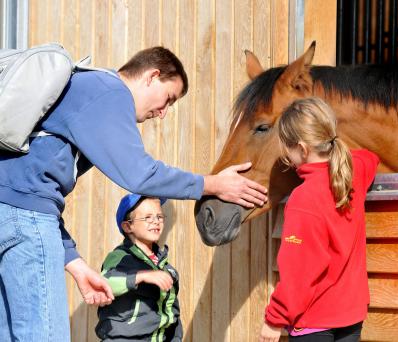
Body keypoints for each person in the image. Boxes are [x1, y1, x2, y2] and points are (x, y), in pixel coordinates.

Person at [0, 46, 267, 341]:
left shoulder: (82, 90)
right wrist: (213, 184)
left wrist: (74, 263)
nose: (163, 113)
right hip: (26, 224)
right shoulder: (110, 92)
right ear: (152, 76)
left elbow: (29, 189)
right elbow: (139, 174)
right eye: (169, 99)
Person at [259, 97, 379, 342]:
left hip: (314, 322)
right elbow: (370, 157)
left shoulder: (303, 199)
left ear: (302, 149)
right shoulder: (354, 172)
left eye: (287, 149)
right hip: (351, 318)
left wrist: (274, 319)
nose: (286, 157)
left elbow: (299, 271)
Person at [96, 194, 182, 341]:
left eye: (159, 217)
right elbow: (104, 283)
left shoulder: (167, 269)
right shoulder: (120, 257)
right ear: (128, 226)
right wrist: (141, 276)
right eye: (147, 217)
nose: (155, 221)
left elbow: (172, 312)